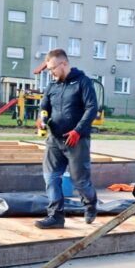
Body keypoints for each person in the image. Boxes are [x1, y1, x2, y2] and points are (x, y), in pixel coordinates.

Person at [34, 48, 98, 229]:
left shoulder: (83, 82)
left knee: (80, 181)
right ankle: (55, 216)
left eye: (53, 68)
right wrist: (41, 119)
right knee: (51, 177)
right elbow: (44, 108)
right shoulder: (52, 86)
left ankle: (90, 203)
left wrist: (78, 131)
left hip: (77, 141)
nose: (51, 73)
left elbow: (92, 108)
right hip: (54, 140)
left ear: (64, 64)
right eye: (49, 69)